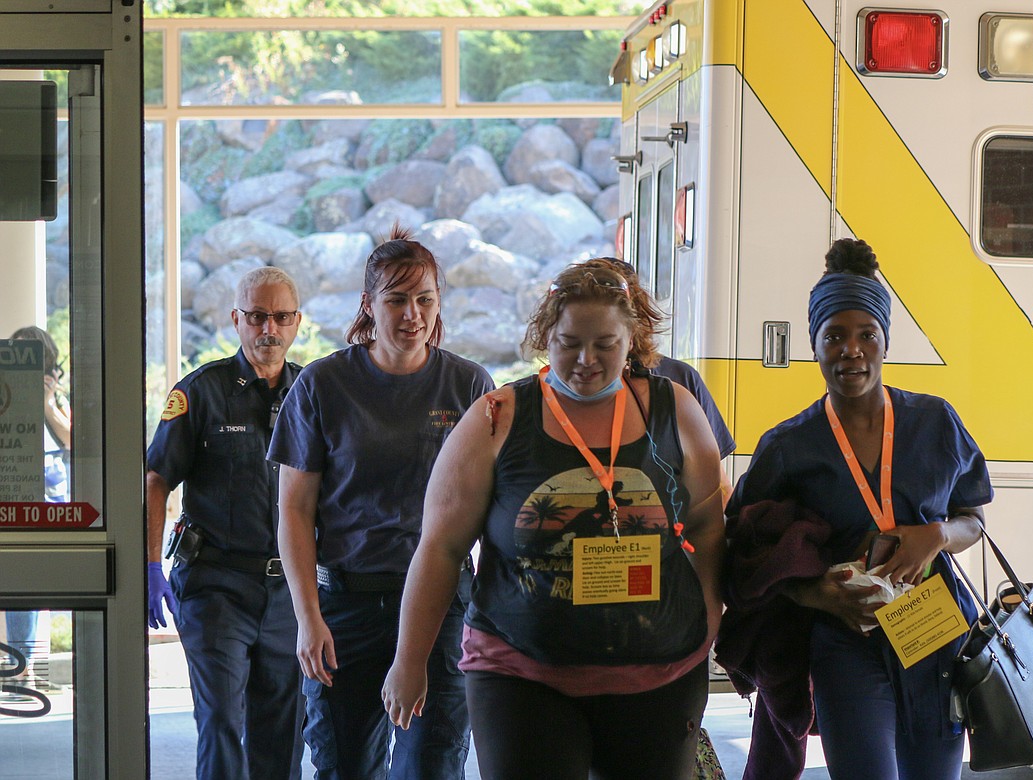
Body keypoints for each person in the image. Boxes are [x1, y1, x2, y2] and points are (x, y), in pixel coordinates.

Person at [384, 262, 727, 779]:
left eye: (605, 344)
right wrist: (408, 662)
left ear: (632, 338)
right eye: (569, 343)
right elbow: (441, 548)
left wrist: (708, 616)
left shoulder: (674, 408)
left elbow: (706, 522)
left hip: (661, 671)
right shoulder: (496, 418)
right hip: (523, 674)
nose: (586, 361)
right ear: (546, 335)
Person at [724, 238, 992, 780]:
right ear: (815, 345)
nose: (852, 350)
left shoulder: (934, 423)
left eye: (867, 334)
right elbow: (743, 559)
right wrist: (817, 594)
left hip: (934, 633)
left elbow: (974, 521)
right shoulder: (788, 446)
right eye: (835, 336)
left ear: (885, 341)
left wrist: (935, 536)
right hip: (847, 641)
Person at [269, 226, 493, 780]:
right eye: (396, 299)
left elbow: (492, 506)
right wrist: (307, 619)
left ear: (439, 303)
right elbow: (294, 511)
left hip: (441, 606)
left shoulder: (468, 386)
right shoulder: (323, 385)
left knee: (432, 767)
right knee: (343, 767)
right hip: (343, 607)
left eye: (424, 299)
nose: (412, 314)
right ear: (369, 304)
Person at [145, 266, 306, 780]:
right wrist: (151, 567)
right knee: (220, 722)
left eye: (280, 317)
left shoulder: (312, 392)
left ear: (296, 322)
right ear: (237, 319)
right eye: (257, 316)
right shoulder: (201, 392)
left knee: (283, 732)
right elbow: (156, 480)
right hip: (217, 587)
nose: (269, 329)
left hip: (289, 593)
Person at [575, 257, 736, 475]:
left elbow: (716, 483)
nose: (587, 359)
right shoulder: (547, 391)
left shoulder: (680, 381)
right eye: (571, 341)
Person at [3, 325, 70, 695]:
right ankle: (21, 670)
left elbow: (75, 439)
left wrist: (44, 402)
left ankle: (24, 666)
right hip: (17, 497)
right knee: (22, 586)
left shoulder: (55, 395)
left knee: (40, 587)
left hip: (54, 499)